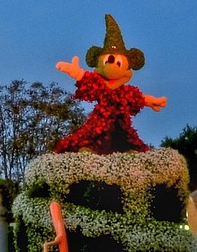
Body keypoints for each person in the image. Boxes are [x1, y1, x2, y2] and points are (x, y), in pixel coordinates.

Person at [52, 14, 167, 154]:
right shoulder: (100, 88)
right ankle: (88, 153)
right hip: (100, 123)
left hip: (121, 126)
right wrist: (76, 73)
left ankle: (130, 154)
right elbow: (88, 82)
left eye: (119, 64)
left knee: (128, 139)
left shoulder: (124, 93)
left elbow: (138, 97)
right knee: (92, 135)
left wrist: (152, 101)